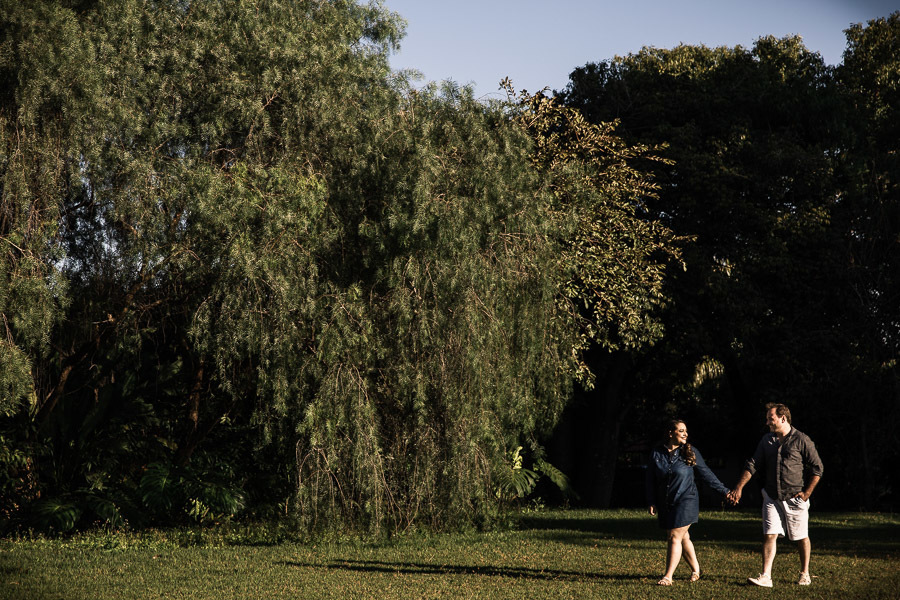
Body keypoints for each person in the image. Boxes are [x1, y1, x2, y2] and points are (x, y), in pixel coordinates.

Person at [727, 403, 824, 588]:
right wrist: (739, 487)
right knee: (769, 535)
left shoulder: (801, 439)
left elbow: (818, 468)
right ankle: (766, 576)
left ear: (783, 418)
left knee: (801, 536)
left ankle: (805, 573)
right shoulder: (767, 440)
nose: (767, 422)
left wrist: (807, 493)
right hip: (771, 496)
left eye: (770, 419)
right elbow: (753, 464)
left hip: (795, 498)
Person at [645, 419, 730, 585]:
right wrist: (651, 501)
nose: (685, 434)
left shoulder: (690, 452)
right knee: (683, 538)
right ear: (671, 433)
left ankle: (668, 576)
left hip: (687, 500)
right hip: (667, 501)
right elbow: (650, 480)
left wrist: (724, 491)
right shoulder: (656, 453)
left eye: (686, 431)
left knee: (674, 537)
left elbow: (706, 474)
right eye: (681, 430)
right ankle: (696, 570)